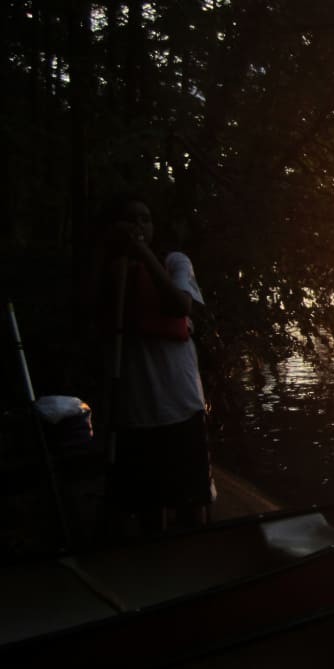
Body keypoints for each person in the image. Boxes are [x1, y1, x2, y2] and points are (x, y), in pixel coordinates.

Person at [93, 195, 214, 534]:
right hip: (134, 411)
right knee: (148, 507)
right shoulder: (108, 269)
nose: (139, 227)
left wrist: (143, 254)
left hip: (180, 403)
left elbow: (180, 306)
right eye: (131, 220)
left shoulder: (175, 262)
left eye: (145, 219)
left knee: (190, 500)